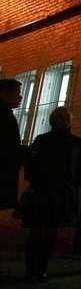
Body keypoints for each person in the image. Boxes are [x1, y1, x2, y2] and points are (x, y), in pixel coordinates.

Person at [22, 107, 81, 280]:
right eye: (61, 117)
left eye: (65, 117)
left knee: (47, 231)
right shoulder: (72, 142)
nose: (63, 120)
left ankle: (39, 267)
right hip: (47, 190)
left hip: (56, 190)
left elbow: (80, 167)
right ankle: (34, 267)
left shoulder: (47, 140)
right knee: (39, 231)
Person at [0, 78, 26, 212]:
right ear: (4, 94)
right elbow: (7, 149)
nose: (20, 96)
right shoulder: (5, 117)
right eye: (17, 92)